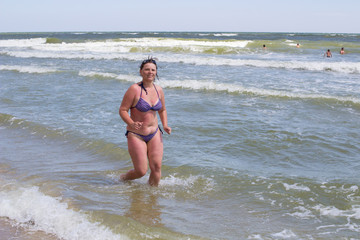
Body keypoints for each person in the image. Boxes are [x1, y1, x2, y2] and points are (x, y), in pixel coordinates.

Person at [119, 57, 171, 186]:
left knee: (156, 167)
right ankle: (123, 179)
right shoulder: (134, 89)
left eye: (153, 70)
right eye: (147, 69)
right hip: (136, 135)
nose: (150, 72)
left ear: (156, 72)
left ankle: (152, 197)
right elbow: (123, 110)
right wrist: (131, 123)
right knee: (141, 171)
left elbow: (162, 109)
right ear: (141, 71)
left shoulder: (159, 90)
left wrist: (165, 125)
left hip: (154, 133)